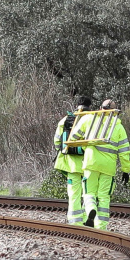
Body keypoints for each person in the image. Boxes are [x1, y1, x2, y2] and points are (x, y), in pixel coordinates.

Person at [68, 99, 130, 230]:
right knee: (104, 197)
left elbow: (73, 137)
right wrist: (126, 170)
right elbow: (125, 151)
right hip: (109, 167)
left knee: (88, 192)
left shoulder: (89, 119)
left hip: (91, 163)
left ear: (99, 107)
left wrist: (86, 142)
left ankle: (91, 209)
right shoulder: (118, 126)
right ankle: (101, 227)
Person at [53, 96, 91, 225]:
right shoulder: (93, 119)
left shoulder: (66, 120)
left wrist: (63, 151)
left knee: (74, 194)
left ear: (77, 105)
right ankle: (87, 220)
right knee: (89, 194)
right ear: (89, 106)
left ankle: (75, 223)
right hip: (89, 164)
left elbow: (57, 141)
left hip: (71, 165)